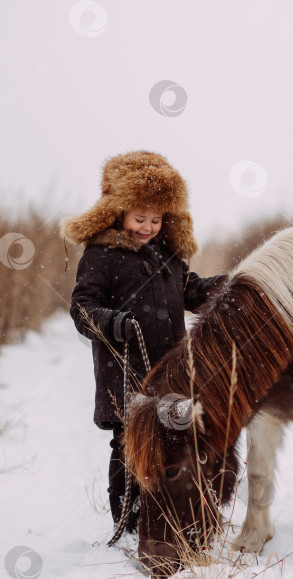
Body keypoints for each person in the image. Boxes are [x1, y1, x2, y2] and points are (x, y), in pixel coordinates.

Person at [61, 150, 227, 533]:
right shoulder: (101, 254)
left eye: (156, 219)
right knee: (128, 446)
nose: (148, 227)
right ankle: (128, 520)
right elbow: (82, 308)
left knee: (173, 442)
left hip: (170, 368)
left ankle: (169, 515)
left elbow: (192, 291)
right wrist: (114, 323)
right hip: (124, 369)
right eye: (140, 217)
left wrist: (227, 286)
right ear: (117, 211)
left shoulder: (168, 254)